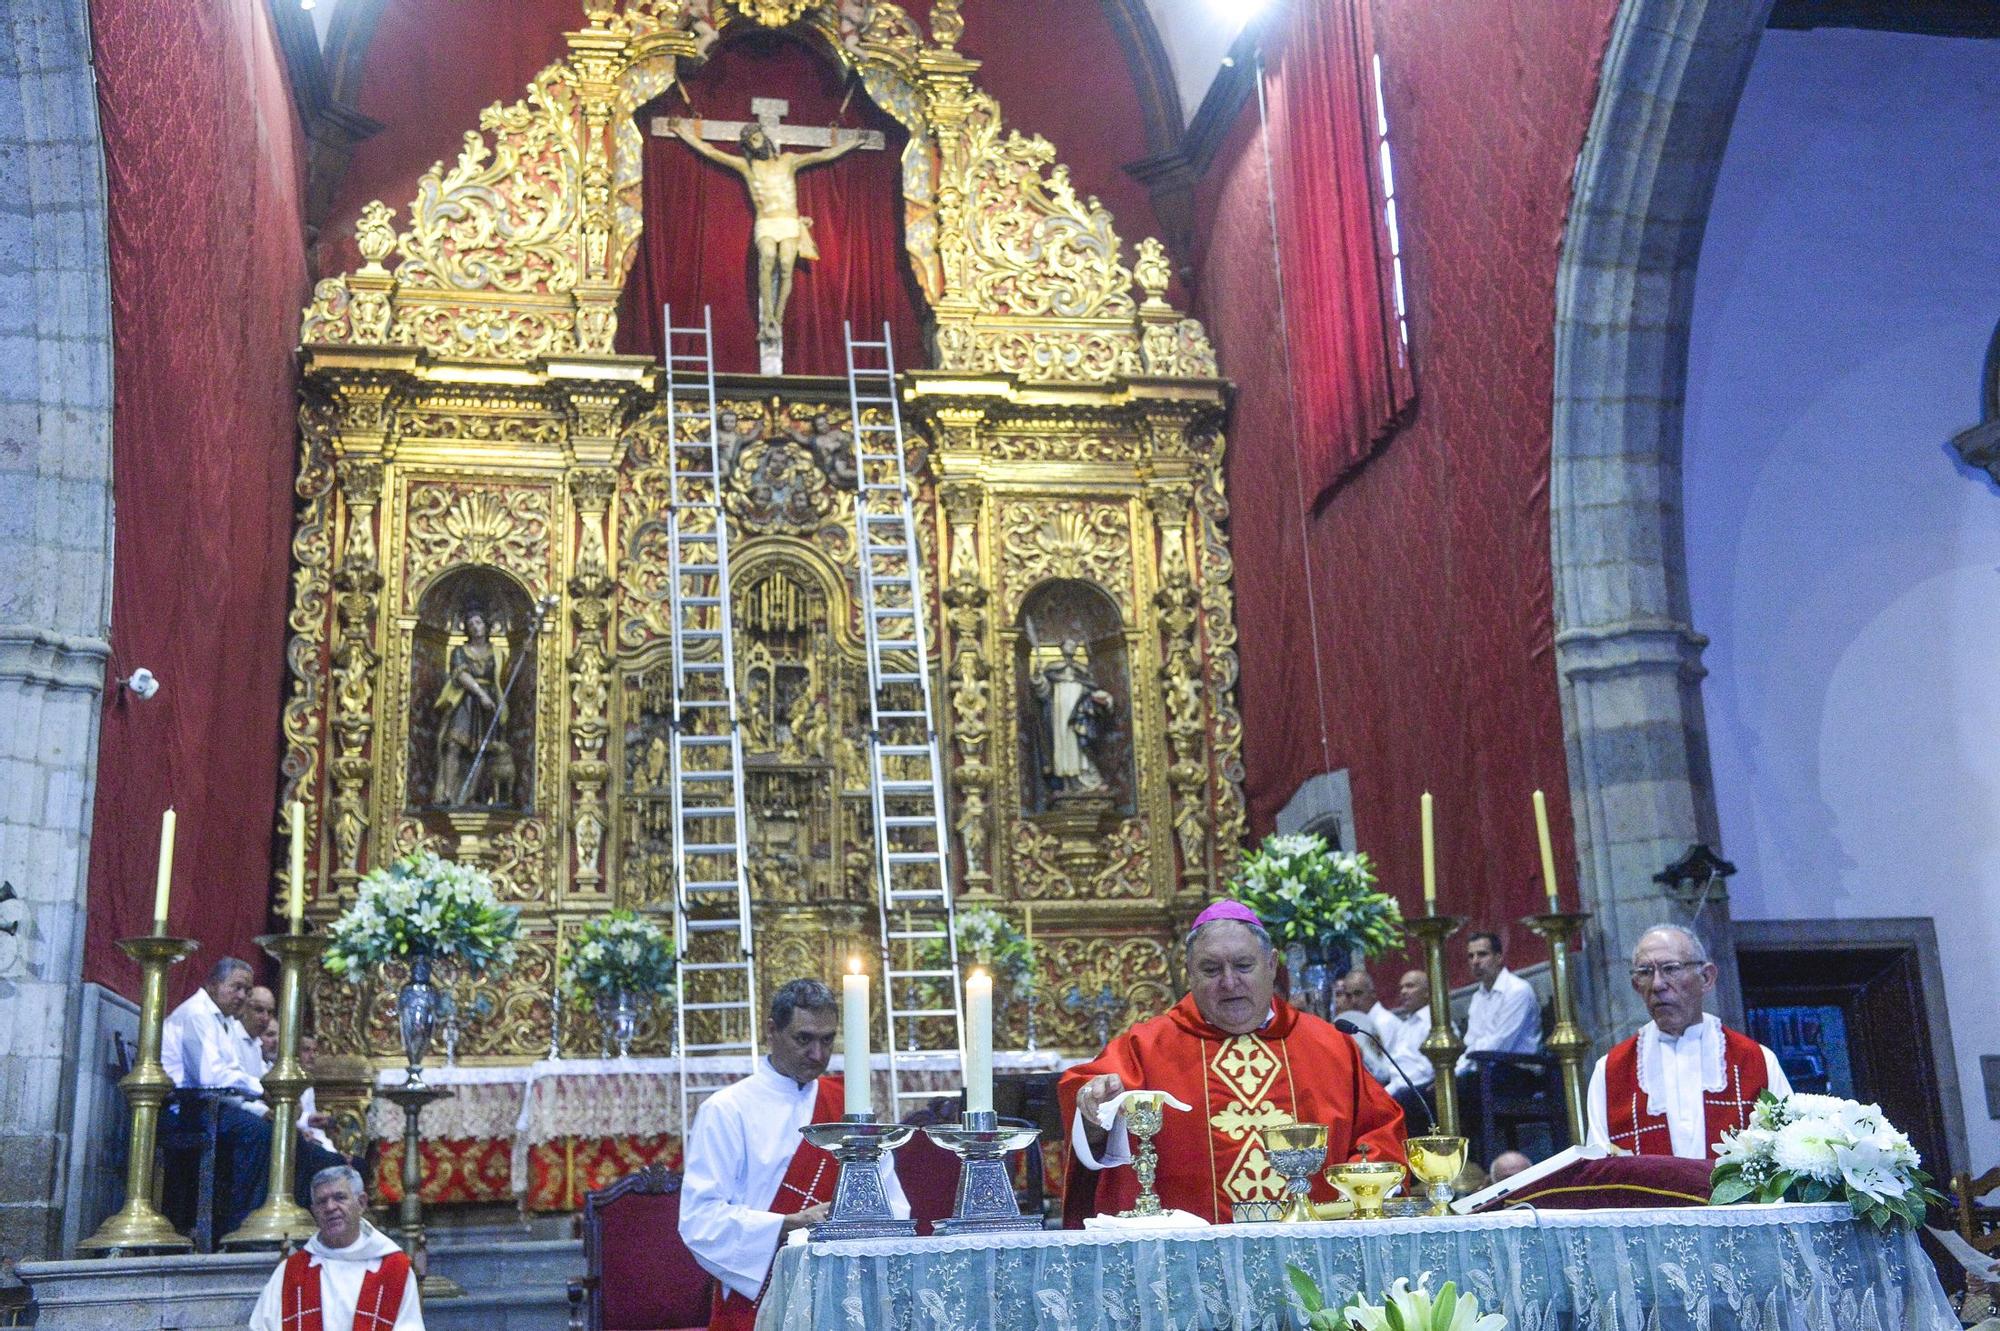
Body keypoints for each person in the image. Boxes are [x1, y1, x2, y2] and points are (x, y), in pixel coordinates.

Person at [1058, 901, 1406, 1223]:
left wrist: (1368, 1190)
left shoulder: (1329, 1046)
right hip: (1188, 1262)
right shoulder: (1145, 1047)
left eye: (1243, 966)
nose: (1228, 982)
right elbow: (1089, 1096)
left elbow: (1379, 1133)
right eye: (1211, 969)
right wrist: (1093, 1114)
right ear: (1189, 975)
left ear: (1271, 965)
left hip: (1315, 1250)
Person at [680, 979, 907, 1331]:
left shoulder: (852, 1106)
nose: (818, 1054)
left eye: (828, 1039)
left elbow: (893, 1206)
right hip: (760, 1300)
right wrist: (788, 1224)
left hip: (846, 1296)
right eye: (804, 1039)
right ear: (773, 1030)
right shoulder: (727, 1110)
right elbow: (700, 1220)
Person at [161, 957, 347, 1236]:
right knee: (260, 1134)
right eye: (236, 988)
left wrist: (263, 1105)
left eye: (246, 991)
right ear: (213, 984)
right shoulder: (196, 1015)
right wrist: (265, 1089)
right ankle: (239, 1224)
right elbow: (210, 1079)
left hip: (213, 1104)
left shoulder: (221, 1020)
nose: (241, 997)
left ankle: (289, 1221)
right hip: (186, 1109)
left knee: (282, 1133)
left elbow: (228, 1084)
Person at [1585, 924, 1791, 1159]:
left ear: (1706, 978)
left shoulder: (1756, 1061)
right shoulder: (1610, 1071)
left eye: (1670, 968)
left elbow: (1787, 1154)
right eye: (1645, 972)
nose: (1657, 984)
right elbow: (1598, 1166)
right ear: (1635, 986)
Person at [671, 119, 864, 342]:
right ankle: (767, 316)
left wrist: (853, 143)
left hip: (790, 222)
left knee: (785, 266)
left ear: (763, 136)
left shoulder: (789, 160)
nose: (754, 144)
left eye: (756, 138)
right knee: (767, 257)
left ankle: (777, 319)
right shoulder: (748, 166)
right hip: (766, 222)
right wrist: (683, 132)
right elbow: (711, 152)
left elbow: (823, 155)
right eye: (750, 142)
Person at [248, 1165, 422, 1331]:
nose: (330, 1207)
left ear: (361, 1203)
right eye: (322, 1201)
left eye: (340, 1197)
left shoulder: (394, 1269)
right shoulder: (291, 1271)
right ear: (314, 1211)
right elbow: (261, 1326)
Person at [1454, 931, 1542, 1162]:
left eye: (1482, 954)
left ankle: (1481, 1164)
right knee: (1440, 1089)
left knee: (1462, 1089)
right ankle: (1463, 1164)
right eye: (1471, 956)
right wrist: (1453, 1072)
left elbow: (1500, 1043)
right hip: (1485, 1069)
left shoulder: (1517, 990)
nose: (1475, 961)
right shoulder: (1478, 997)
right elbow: (1470, 1043)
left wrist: (1463, 1070)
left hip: (1518, 1072)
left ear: (1499, 956)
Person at [1383, 969, 1435, 1090]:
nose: (1403, 992)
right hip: (1395, 1085)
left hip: (1416, 1089)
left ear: (1427, 992)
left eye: (1410, 986)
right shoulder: (1405, 1026)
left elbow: (1429, 1070)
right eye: (1402, 987)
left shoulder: (1433, 1023)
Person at [240, 984, 277, 1076]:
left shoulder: (256, 1043)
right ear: (244, 1008)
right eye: (259, 1010)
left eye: (270, 1012)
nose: (265, 1018)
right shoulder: (230, 1036)